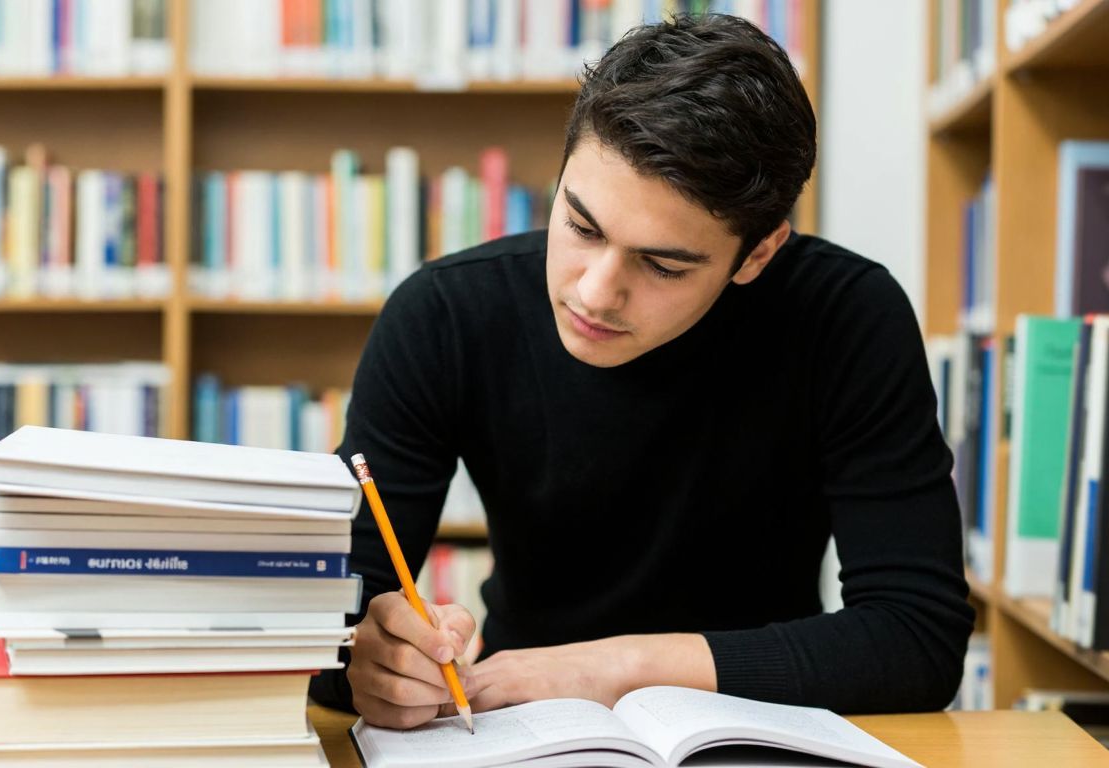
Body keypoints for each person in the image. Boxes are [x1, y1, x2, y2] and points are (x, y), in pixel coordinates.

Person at [309, 13, 974, 729]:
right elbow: (325, 627)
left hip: (763, 724)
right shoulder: (444, 316)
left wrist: (614, 669)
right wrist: (368, 661)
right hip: (514, 730)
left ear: (757, 253)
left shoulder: (847, 317)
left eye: (662, 264)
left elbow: (918, 638)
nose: (594, 291)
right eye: (581, 227)